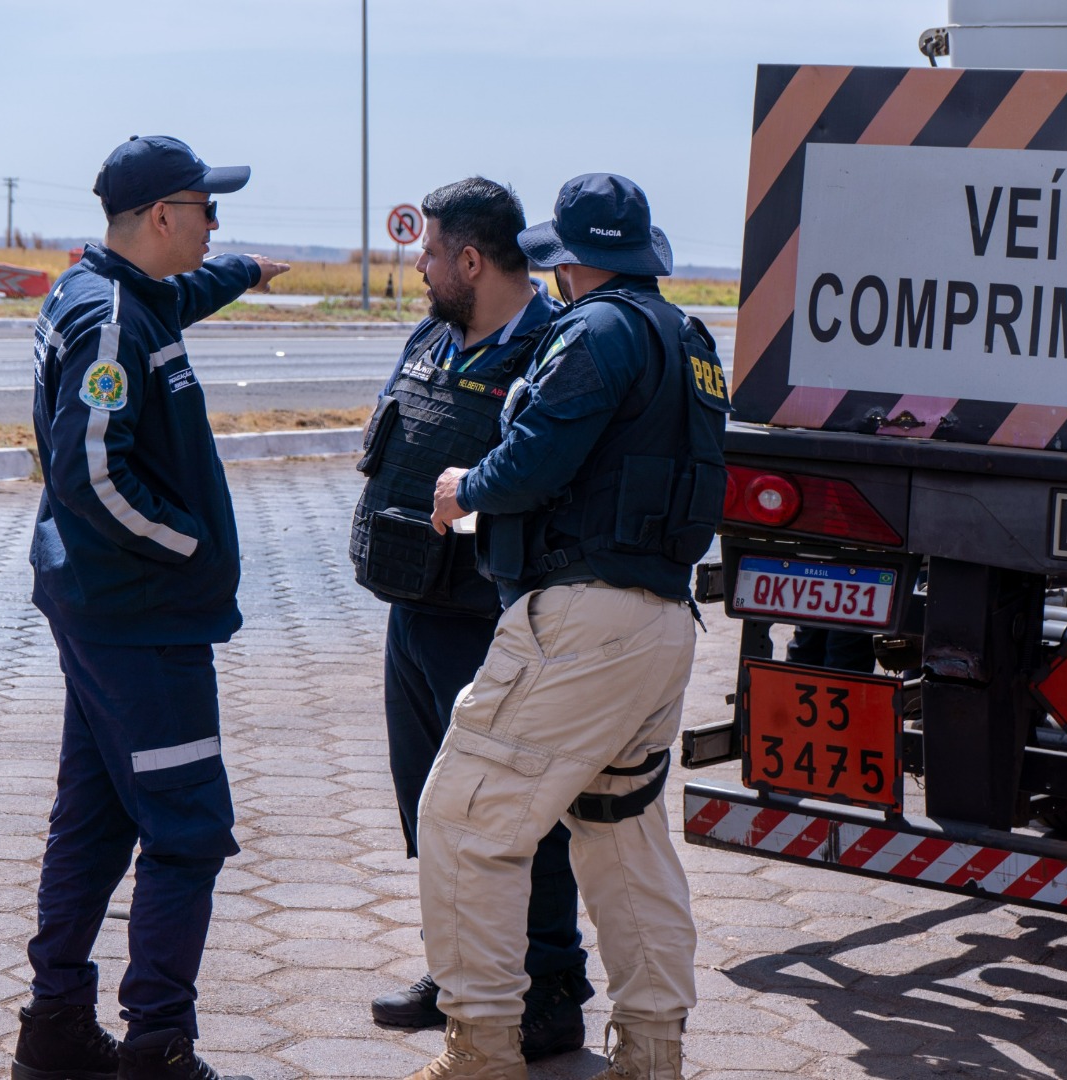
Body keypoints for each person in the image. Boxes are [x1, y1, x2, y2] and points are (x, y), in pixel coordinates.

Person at [409, 173, 729, 1080]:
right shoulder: (689, 337)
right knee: (620, 832)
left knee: (467, 820)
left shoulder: (593, 332)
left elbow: (537, 459)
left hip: (581, 621)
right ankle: (652, 1054)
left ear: (571, 260)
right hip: (662, 622)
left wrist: (463, 488)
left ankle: (481, 1049)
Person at [11, 135, 289, 1080]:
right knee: (187, 828)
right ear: (164, 216)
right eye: (209, 209)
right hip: (142, 618)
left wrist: (247, 269)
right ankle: (158, 1046)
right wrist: (191, 547)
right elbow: (92, 473)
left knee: (93, 820)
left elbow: (186, 294)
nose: (219, 222)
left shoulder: (115, 290)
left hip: (103, 612)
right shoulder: (109, 322)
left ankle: (53, 1029)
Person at [348, 178, 591, 1059]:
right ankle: (459, 975)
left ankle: (551, 985)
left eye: (431, 250)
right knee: (433, 808)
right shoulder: (436, 333)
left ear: (473, 259)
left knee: (517, 813)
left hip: (492, 623)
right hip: (411, 613)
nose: (418, 262)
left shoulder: (550, 351)